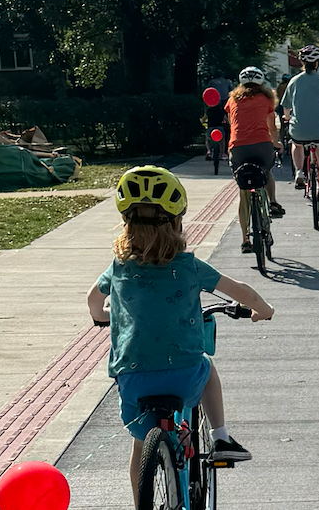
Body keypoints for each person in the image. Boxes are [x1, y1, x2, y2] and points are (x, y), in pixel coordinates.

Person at [86, 166, 275, 503]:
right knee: (206, 365)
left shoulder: (118, 267)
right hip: (184, 376)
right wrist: (263, 309)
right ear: (176, 222)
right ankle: (220, 437)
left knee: (141, 447)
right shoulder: (187, 265)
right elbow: (239, 290)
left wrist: (101, 317)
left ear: (126, 222)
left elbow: (93, 300)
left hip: (133, 379)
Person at [226, 67, 286, 249]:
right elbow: (272, 127)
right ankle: (273, 202)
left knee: (243, 193)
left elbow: (233, 124)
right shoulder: (266, 98)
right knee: (266, 170)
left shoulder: (232, 100)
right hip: (261, 145)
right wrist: (276, 143)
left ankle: (245, 240)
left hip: (238, 148)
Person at [281, 45, 319, 216]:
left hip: (299, 130)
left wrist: (288, 118)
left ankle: (299, 170)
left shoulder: (294, 81)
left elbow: (285, 109)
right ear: (318, 63)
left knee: (296, 143)